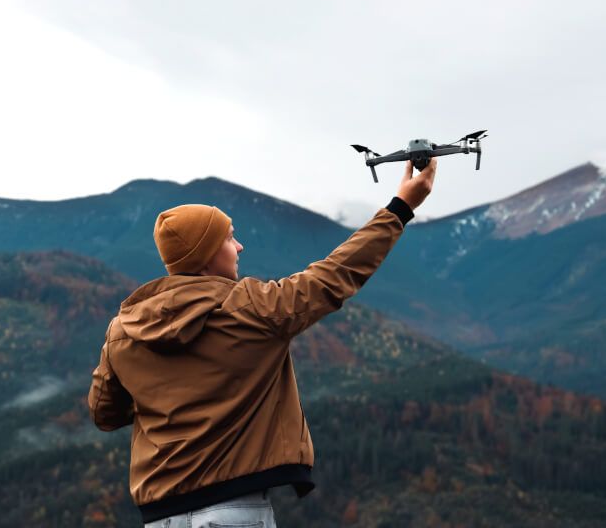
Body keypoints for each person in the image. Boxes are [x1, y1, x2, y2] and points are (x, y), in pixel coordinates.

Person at [88, 159, 437, 527]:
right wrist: (401, 208)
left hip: (161, 518)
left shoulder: (123, 330)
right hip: (234, 511)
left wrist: (164, 393)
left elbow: (104, 413)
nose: (239, 247)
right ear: (206, 254)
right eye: (228, 237)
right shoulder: (251, 309)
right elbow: (334, 276)